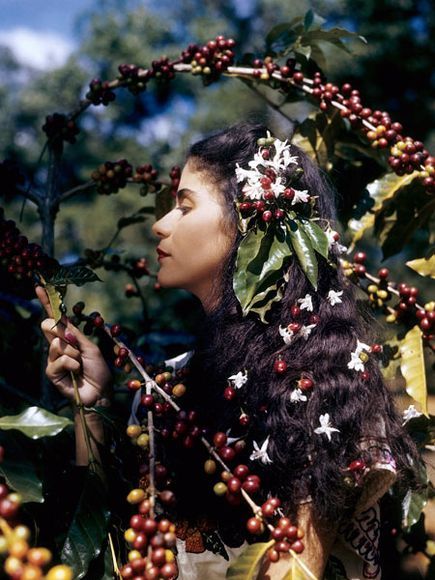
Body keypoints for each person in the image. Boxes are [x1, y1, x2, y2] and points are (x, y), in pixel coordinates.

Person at [36, 122, 418, 579]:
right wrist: (90, 404)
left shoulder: (323, 387)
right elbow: (114, 541)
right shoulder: (162, 390)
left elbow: (299, 566)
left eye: (184, 206)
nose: (160, 224)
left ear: (252, 221)